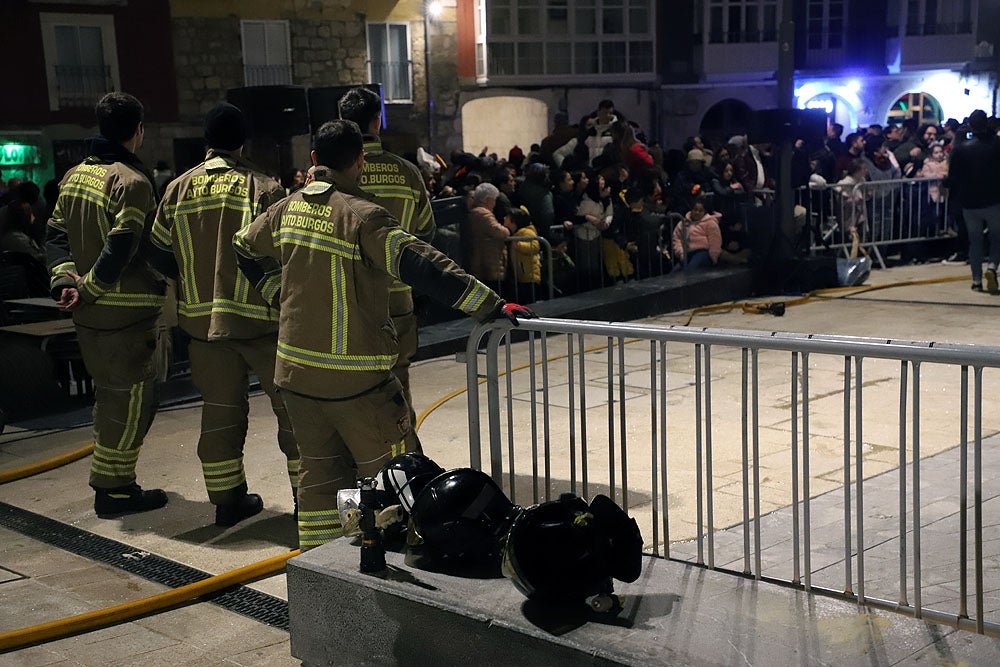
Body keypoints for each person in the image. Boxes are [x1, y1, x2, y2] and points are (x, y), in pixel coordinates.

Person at [232, 119, 534, 550]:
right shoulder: (361, 216)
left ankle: (321, 566)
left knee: (318, 480)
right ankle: (396, 560)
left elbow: (243, 246)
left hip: (296, 376)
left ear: (314, 160)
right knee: (399, 476)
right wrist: (489, 305)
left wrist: (274, 291)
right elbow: (421, 264)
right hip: (358, 382)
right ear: (359, 162)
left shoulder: (285, 208)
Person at [147, 102, 299, 527]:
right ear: (243, 141)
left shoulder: (176, 189)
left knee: (219, 414)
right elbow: (285, 252)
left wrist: (190, 279)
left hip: (202, 326)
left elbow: (157, 252)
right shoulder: (263, 187)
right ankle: (308, 501)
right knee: (293, 414)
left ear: (207, 141)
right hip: (262, 324)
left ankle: (227, 501)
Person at [46, 92, 168, 517]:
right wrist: (92, 287)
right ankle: (115, 490)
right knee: (134, 402)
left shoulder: (74, 176)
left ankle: (112, 483)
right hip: (125, 314)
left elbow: (56, 233)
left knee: (110, 399)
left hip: (89, 317)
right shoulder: (131, 182)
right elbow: (123, 244)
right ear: (137, 130)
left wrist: (65, 280)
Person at [338, 86, 436, 430]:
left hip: (348, 299)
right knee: (398, 383)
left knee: (350, 386)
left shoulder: (334, 179)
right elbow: (425, 232)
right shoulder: (408, 172)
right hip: (397, 298)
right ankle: (405, 462)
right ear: (377, 121)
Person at [944, 109, 1000, 293]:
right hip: (993, 199)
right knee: (996, 238)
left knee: (974, 242)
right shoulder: (997, 145)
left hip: (970, 202)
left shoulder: (962, 149)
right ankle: (992, 267)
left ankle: (976, 280)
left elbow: (953, 177)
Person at [465, 182, 510, 290]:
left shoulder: (474, 212)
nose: (494, 203)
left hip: (482, 259)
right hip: (488, 262)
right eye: (494, 200)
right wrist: (508, 229)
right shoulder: (483, 214)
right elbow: (499, 231)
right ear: (488, 199)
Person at [672, 197, 722, 270]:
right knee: (674, 273)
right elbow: (677, 238)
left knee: (690, 269)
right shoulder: (683, 223)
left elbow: (715, 241)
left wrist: (714, 257)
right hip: (687, 253)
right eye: (695, 210)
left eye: (700, 211)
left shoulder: (710, 223)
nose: (697, 213)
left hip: (703, 252)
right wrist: (681, 253)